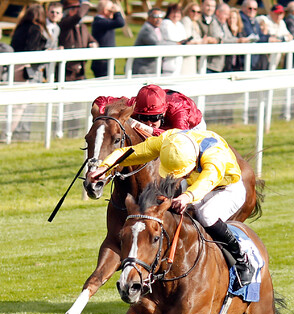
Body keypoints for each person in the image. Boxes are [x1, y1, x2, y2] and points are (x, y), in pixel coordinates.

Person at [89, 129, 254, 289]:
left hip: (227, 188)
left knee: (206, 215)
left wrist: (187, 196)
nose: (183, 176)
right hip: (195, 184)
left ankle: (242, 260)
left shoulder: (214, 155)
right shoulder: (168, 141)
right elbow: (133, 152)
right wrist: (106, 166)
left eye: (184, 172)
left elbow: (208, 180)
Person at [94, 84, 205, 136]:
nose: (149, 123)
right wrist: (100, 117)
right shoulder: (133, 104)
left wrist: (147, 129)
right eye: (144, 118)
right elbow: (101, 100)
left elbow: (180, 137)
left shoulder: (178, 109)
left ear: (164, 112)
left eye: (153, 118)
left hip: (191, 128)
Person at [58, 0, 97, 81]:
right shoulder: (64, 23)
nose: (78, 11)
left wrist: (93, 44)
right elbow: (78, 16)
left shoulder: (82, 27)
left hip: (81, 71)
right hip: (67, 71)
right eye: (75, 9)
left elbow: (92, 40)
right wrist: (86, 4)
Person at [91, 0, 125, 78]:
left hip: (107, 60)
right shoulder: (99, 22)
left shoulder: (104, 21)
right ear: (105, 10)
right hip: (101, 62)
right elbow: (120, 23)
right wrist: (117, 12)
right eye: (111, 10)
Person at [132, 8, 165, 75]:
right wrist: (175, 44)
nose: (158, 19)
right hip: (143, 69)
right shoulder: (146, 30)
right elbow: (156, 45)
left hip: (153, 68)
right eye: (155, 17)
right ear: (149, 18)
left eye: (160, 17)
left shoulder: (158, 28)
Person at [160, 4, 192, 76]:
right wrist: (179, 43)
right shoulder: (165, 23)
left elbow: (183, 38)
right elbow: (170, 38)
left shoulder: (179, 24)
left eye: (178, 13)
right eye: (173, 12)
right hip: (167, 59)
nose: (176, 15)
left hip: (178, 58)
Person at [196, 0, 225, 73]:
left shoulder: (217, 20)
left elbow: (222, 37)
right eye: (208, 5)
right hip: (203, 63)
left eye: (212, 6)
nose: (210, 8)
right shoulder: (197, 19)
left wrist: (216, 40)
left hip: (218, 64)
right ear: (202, 5)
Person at [240, 0, 269, 70]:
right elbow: (251, 36)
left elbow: (259, 35)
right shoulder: (242, 19)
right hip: (243, 58)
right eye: (250, 8)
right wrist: (268, 39)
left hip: (253, 57)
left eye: (255, 9)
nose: (252, 11)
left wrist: (270, 37)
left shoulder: (254, 20)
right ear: (243, 8)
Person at [180, 2, 202, 74]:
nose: (195, 13)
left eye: (198, 12)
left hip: (192, 57)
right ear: (188, 11)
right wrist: (201, 41)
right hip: (186, 57)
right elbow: (188, 39)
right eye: (193, 11)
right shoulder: (186, 20)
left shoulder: (195, 23)